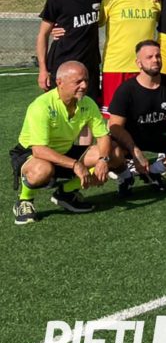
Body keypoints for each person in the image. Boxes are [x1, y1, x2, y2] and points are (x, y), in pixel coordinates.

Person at [11, 62, 119, 224]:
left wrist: (103, 160)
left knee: (114, 154)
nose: (84, 86)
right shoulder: (41, 106)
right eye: (78, 82)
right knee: (42, 169)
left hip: (64, 151)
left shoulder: (87, 103)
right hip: (32, 154)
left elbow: (103, 136)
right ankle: (24, 200)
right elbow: (39, 150)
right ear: (59, 82)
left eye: (86, 81)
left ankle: (65, 193)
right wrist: (75, 165)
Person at [106, 41, 166, 196]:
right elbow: (115, 127)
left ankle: (154, 171)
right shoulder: (126, 89)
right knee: (107, 149)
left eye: (158, 56)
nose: (155, 60)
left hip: (161, 134)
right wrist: (134, 150)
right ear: (139, 63)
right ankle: (126, 177)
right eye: (149, 57)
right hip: (133, 138)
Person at [37, 0, 110, 104]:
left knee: (89, 109)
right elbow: (43, 35)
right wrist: (42, 70)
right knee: (61, 109)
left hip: (90, 64)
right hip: (62, 63)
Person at [98, 0, 160, 114]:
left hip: (144, 67)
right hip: (116, 67)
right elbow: (91, 24)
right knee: (113, 116)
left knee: (142, 115)